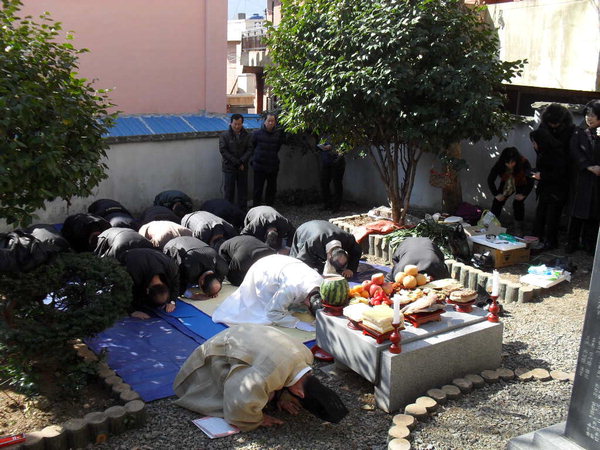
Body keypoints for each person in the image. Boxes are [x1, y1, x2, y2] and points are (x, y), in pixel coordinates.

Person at [173, 324, 348, 431]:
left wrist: (283, 394)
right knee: (256, 399)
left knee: (268, 394)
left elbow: (286, 376)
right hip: (214, 354)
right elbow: (238, 403)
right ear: (300, 394)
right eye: (296, 401)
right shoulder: (263, 377)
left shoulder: (306, 356)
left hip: (244, 333)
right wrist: (257, 419)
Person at [211, 254, 323, 329]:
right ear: (308, 300)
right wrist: (297, 323)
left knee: (288, 303)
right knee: (260, 314)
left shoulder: (321, 283)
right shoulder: (290, 289)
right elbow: (272, 313)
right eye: (308, 307)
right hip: (264, 271)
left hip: (283, 264)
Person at [567, 99, 600, 254]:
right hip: (582, 178)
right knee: (577, 212)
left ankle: (589, 244)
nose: (589, 117)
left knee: (593, 214)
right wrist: (588, 166)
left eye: (593, 115)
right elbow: (574, 151)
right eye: (588, 114)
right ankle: (571, 243)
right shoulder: (579, 131)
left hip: (597, 181)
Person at [529, 128, 568, 251]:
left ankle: (551, 242)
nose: (533, 145)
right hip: (545, 190)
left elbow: (560, 174)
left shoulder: (556, 154)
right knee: (540, 214)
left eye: (534, 142)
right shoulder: (543, 152)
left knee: (552, 218)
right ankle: (536, 239)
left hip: (556, 191)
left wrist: (542, 175)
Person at [289, 220, 362, 279]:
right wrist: (315, 277)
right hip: (304, 230)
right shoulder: (314, 242)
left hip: (323, 227)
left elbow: (356, 251)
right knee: (295, 265)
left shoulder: (347, 238)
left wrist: (351, 268)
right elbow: (303, 261)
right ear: (329, 255)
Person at [121, 248, 180, 319]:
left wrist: (172, 301)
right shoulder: (133, 274)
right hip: (127, 255)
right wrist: (132, 311)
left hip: (152, 254)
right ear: (147, 291)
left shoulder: (171, 268)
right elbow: (120, 290)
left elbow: (176, 284)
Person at [486, 147, 534, 235]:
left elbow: (531, 180)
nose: (510, 165)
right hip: (507, 182)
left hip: (522, 182)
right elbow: (490, 179)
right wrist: (496, 194)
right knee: (497, 202)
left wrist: (524, 194)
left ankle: (519, 229)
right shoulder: (499, 164)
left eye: (513, 162)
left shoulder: (524, 162)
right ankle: (492, 227)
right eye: (507, 163)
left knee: (518, 203)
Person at [163, 236, 228, 299]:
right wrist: (192, 295)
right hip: (174, 245)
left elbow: (216, 282)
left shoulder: (222, 268)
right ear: (201, 282)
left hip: (192, 242)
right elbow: (176, 284)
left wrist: (214, 291)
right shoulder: (188, 270)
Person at [219, 114, 253, 210]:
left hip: (243, 168)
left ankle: (242, 213)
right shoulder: (224, 135)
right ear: (231, 123)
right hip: (229, 168)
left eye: (239, 124)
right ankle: (228, 212)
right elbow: (223, 151)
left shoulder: (247, 135)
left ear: (242, 123)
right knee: (229, 192)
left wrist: (242, 161)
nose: (237, 126)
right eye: (235, 124)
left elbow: (250, 150)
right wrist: (237, 163)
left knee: (243, 192)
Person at [252, 113, 283, 206]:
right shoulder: (256, 134)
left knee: (271, 189)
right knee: (258, 189)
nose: (270, 123)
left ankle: (270, 209)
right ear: (264, 122)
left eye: (272, 121)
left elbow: (277, 147)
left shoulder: (278, 135)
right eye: (268, 121)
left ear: (275, 122)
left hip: (273, 166)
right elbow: (252, 148)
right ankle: (256, 209)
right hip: (259, 166)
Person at [318, 139, 346, 212]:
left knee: (337, 185)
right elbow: (320, 145)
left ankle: (336, 207)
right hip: (327, 164)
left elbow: (344, 148)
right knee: (324, 184)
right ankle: (327, 204)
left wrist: (332, 147)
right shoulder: (324, 134)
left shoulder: (341, 134)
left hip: (337, 164)